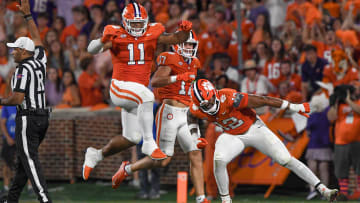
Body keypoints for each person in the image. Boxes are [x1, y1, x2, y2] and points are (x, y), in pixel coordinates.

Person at [82, 2, 193, 181]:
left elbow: (175, 39)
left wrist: (185, 31)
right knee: (147, 96)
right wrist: (102, 39)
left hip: (136, 94)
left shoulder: (153, 31)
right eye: (133, 23)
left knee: (132, 137)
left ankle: (96, 154)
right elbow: (90, 50)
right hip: (120, 88)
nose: (137, 27)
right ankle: (149, 144)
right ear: (125, 22)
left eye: (140, 23)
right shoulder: (116, 33)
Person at [188, 79, 338, 203]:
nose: (209, 106)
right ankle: (226, 201)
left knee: (285, 159)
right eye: (205, 105)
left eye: (210, 101)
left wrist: (293, 106)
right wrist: (194, 136)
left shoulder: (230, 97)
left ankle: (323, 189)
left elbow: (263, 100)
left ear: (214, 93)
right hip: (232, 135)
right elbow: (191, 116)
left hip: (254, 128)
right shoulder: (196, 108)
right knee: (219, 160)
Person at [111, 30, 209, 203]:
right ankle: (128, 169)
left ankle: (201, 198)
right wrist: (179, 77)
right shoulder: (169, 58)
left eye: (191, 44)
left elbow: (190, 89)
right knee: (161, 159)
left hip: (187, 114)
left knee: (195, 155)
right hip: (170, 112)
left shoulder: (195, 63)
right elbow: (155, 81)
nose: (188, 47)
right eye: (185, 43)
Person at [2, 0, 51, 202]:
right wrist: (28, 16)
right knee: (23, 163)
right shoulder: (39, 59)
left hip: (28, 119)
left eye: (15, 49)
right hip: (43, 118)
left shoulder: (22, 69)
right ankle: (11, 199)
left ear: (23, 52)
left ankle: (44, 199)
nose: (12, 52)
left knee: (30, 160)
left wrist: (0, 100)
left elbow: (17, 98)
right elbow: (38, 38)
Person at [327, 86, 360, 201]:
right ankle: (344, 194)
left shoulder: (357, 102)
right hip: (340, 142)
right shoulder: (339, 105)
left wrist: (348, 100)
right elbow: (331, 117)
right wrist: (335, 103)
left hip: (357, 141)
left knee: (359, 168)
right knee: (341, 170)